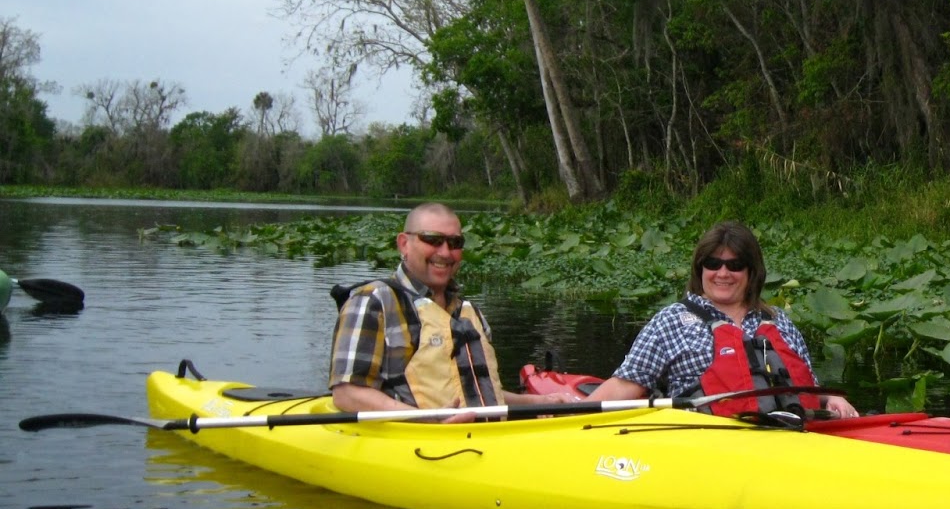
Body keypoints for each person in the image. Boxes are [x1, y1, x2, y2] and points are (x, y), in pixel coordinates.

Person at [329, 202, 582, 419]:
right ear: (404, 244)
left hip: (484, 442)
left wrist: (541, 403)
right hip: (414, 444)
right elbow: (347, 393)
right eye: (432, 240)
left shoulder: (469, 313)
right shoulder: (373, 301)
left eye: (455, 242)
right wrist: (424, 420)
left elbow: (477, 394)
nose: (445, 252)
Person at [585, 221, 858, 419]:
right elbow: (624, 385)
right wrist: (573, 417)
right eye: (713, 264)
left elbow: (808, 386)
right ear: (700, 269)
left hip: (789, 437)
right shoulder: (670, 322)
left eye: (735, 265)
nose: (723, 273)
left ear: (752, 272)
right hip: (708, 444)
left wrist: (832, 397)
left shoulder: (779, 322)